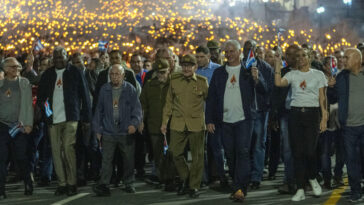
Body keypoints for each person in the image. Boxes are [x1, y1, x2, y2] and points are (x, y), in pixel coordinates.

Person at [206, 40, 267, 202]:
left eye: (232, 51)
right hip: (225, 121)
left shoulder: (248, 71)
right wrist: (209, 119)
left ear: (240, 52)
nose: (229, 54)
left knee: (243, 152)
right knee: (230, 153)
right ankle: (236, 181)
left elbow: (264, 90)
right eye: (226, 52)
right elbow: (211, 97)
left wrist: (256, 79)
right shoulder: (219, 73)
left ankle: (240, 188)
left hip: (244, 120)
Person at [274, 47, 328, 202]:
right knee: (297, 153)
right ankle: (300, 188)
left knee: (310, 151)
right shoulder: (292, 74)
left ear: (310, 57)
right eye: (298, 56)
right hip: (295, 115)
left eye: (304, 55)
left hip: (312, 115)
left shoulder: (318, 75)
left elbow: (322, 98)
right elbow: (278, 83)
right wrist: (278, 63)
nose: (300, 58)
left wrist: (324, 118)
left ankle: (312, 177)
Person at [37, 47, 92, 196]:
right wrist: (47, 112)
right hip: (53, 120)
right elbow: (41, 98)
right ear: (52, 59)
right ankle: (62, 183)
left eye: (61, 57)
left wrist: (87, 118)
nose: (58, 60)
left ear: (66, 57)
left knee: (68, 149)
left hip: (71, 117)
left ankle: (72, 182)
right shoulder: (47, 74)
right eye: (56, 58)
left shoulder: (75, 72)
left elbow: (85, 96)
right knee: (56, 152)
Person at [161, 54, 208, 198]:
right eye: (184, 65)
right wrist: (164, 122)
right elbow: (168, 102)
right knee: (175, 153)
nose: (186, 68)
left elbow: (210, 102)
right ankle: (187, 178)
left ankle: (193, 186)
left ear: (195, 67)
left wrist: (210, 121)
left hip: (196, 124)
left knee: (197, 157)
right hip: (178, 123)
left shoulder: (202, 81)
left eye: (190, 66)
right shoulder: (174, 80)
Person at [92, 64, 142, 196]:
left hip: (125, 130)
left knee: (128, 159)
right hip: (108, 131)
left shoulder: (130, 89)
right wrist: (98, 129)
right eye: (112, 74)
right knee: (106, 160)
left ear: (123, 75)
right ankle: (104, 184)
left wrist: (134, 124)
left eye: (117, 74)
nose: (114, 77)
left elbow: (137, 110)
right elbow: (99, 111)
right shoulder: (104, 89)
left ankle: (129, 183)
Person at [328, 48, 364, 202]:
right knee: (351, 160)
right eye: (343, 58)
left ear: (357, 59)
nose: (343, 60)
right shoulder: (341, 77)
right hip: (348, 127)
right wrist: (330, 88)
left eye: (347, 57)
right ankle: (356, 190)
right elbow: (332, 99)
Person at [0, 57, 34, 198]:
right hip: (2, 126)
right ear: (6, 69)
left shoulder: (24, 83)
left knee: (21, 157)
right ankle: (1, 189)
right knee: (1, 158)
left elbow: (28, 106)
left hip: (19, 126)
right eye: (13, 67)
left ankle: (28, 182)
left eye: (18, 67)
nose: (16, 69)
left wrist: (29, 124)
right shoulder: (1, 84)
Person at [140, 59, 176, 190]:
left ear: (169, 71)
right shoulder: (149, 85)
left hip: (172, 126)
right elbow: (143, 104)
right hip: (154, 125)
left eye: (163, 72)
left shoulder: (174, 84)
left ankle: (171, 179)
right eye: (158, 72)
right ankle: (163, 179)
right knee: (158, 155)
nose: (161, 75)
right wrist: (141, 121)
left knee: (172, 154)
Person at [243, 40, 274, 190]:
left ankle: (256, 176)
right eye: (246, 49)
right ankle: (245, 174)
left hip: (261, 111)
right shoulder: (240, 66)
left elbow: (268, 89)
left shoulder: (265, 67)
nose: (248, 52)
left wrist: (257, 79)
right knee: (245, 145)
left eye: (251, 49)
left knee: (258, 145)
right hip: (244, 112)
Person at [271, 44, 300, 194]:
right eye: (286, 54)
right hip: (286, 115)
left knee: (303, 150)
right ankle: (290, 181)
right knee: (288, 150)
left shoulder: (307, 73)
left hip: (302, 115)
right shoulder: (281, 73)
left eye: (292, 54)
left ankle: (304, 179)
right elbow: (275, 96)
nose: (288, 57)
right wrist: (274, 116)